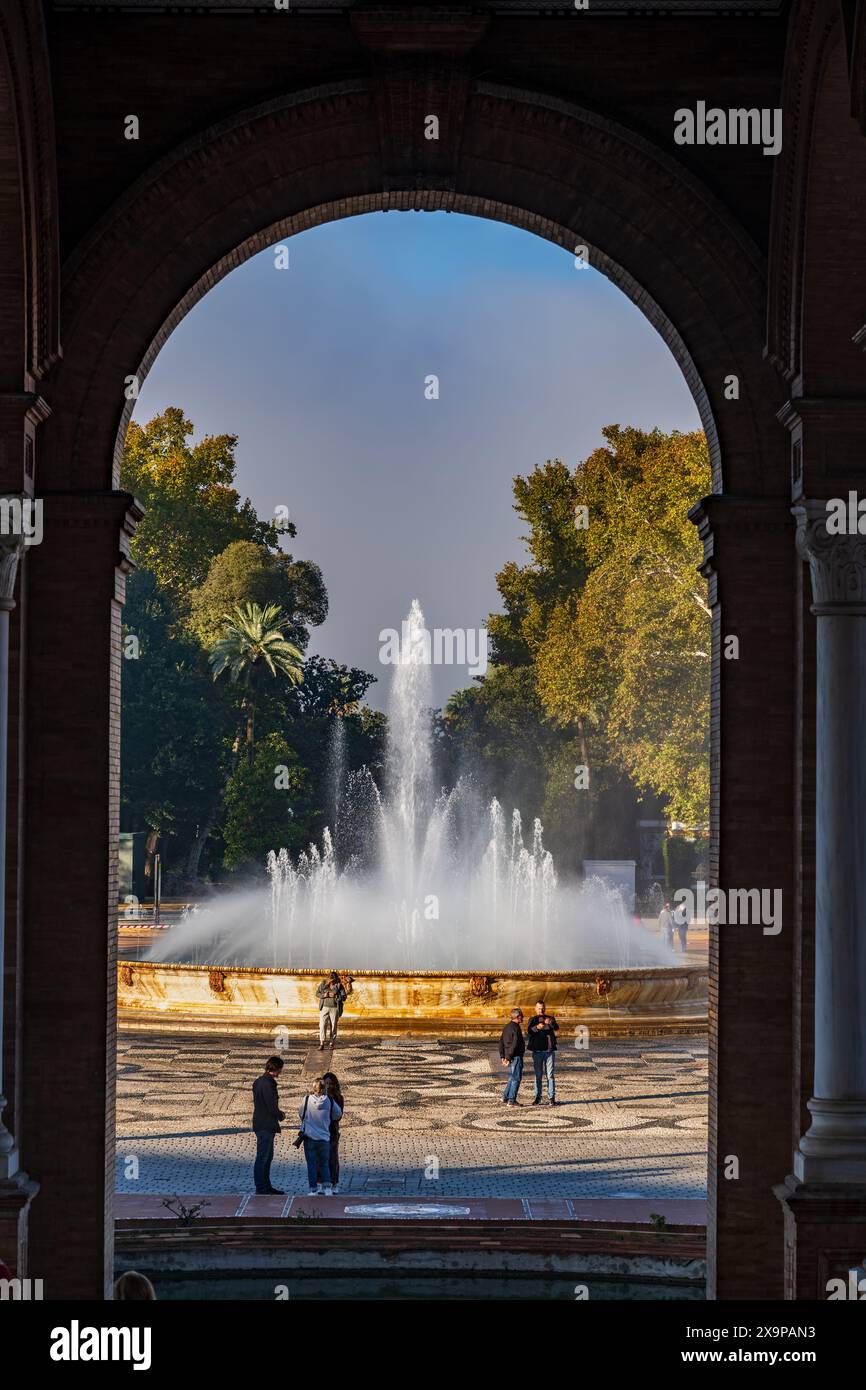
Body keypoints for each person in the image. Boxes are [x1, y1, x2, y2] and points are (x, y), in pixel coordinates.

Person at [298, 1076, 342, 1196]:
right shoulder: (329, 1101)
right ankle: (327, 1188)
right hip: (324, 1137)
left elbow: (301, 1113)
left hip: (310, 1137)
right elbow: (337, 1115)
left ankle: (313, 1189)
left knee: (311, 1164)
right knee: (324, 1163)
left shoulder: (306, 1099)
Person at [252, 1055, 285, 1195]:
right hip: (265, 1123)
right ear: (276, 1069)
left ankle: (266, 1185)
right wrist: (280, 1115)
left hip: (260, 1122)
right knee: (263, 1157)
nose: (281, 1073)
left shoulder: (258, 1081)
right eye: (280, 1070)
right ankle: (262, 1186)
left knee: (267, 1156)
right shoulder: (268, 1083)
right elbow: (271, 1106)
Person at [316, 1072, 345, 1194]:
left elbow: (337, 1116)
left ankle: (334, 1183)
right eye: (326, 1083)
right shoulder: (318, 1097)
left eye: (330, 1084)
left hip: (332, 1131)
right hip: (320, 1131)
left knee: (332, 1159)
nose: (328, 1086)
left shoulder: (337, 1098)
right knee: (320, 1159)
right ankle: (321, 1183)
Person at [527, 999, 559, 1105]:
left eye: (542, 1008)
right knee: (538, 1075)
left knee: (550, 1075)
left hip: (549, 1051)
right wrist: (536, 1027)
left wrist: (551, 1023)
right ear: (535, 1009)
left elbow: (557, 1027)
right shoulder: (533, 1019)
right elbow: (529, 1031)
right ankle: (537, 1097)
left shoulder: (550, 1018)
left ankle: (551, 1097)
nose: (541, 1010)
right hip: (537, 1051)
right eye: (539, 1008)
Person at [499, 1007, 525, 1106]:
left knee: (512, 1077)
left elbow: (501, 1042)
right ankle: (512, 1100)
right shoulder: (516, 1028)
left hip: (509, 1055)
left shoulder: (507, 1027)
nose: (523, 1017)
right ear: (518, 1017)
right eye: (521, 1015)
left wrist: (503, 1056)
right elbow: (514, 1044)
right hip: (516, 1056)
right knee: (516, 1078)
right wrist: (508, 1057)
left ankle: (505, 1096)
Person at [316, 971, 347, 1050]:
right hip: (324, 1007)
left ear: (336, 979)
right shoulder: (323, 984)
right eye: (330, 980)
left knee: (333, 1026)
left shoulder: (339, 985)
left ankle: (331, 1043)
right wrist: (324, 995)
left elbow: (344, 997)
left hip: (334, 1008)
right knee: (322, 1025)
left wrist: (336, 996)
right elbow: (317, 993)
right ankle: (322, 1043)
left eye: (333, 980)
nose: (332, 982)